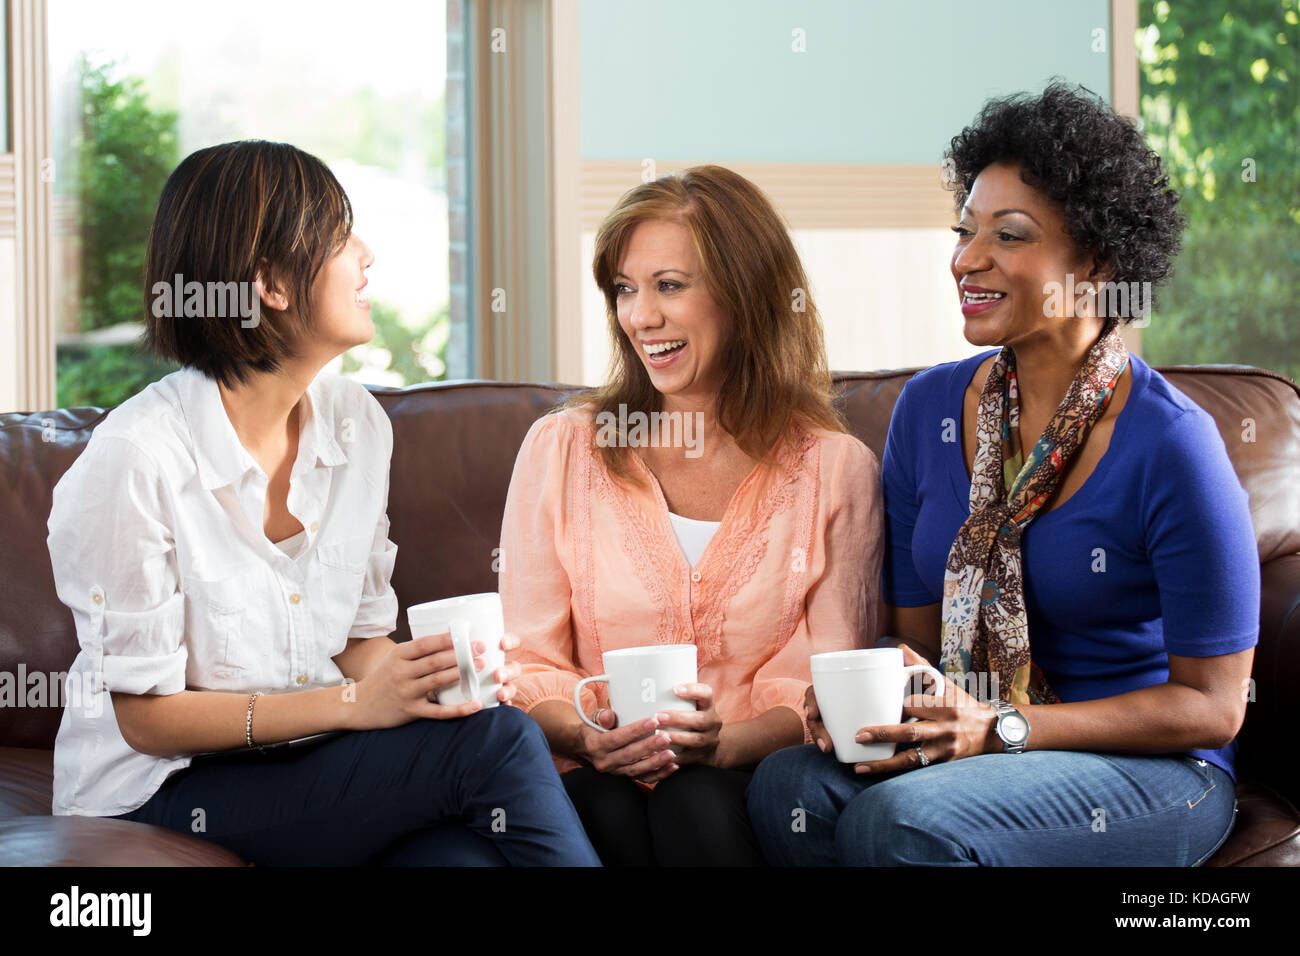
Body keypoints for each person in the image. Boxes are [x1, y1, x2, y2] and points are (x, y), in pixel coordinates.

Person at [47, 140, 599, 867]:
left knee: (460, 856)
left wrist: (429, 683)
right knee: (499, 741)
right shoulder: (136, 458)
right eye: (341, 236)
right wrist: (353, 707)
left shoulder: (356, 423)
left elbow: (357, 642)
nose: (366, 254)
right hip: (164, 788)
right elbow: (146, 720)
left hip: (306, 761)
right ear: (271, 283)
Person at [747, 82, 1258, 866]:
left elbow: (1212, 708)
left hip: (1152, 769)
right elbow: (914, 644)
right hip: (984, 734)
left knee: (898, 824)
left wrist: (1002, 727)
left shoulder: (1172, 446)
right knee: (790, 787)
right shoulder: (929, 411)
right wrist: (867, 695)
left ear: (1097, 262)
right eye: (965, 230)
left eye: (1009, 236)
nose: (966, 259)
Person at [498, 165, 884, 866]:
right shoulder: (564, 448)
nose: (640, 316)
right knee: (601, 802)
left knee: (693, 797)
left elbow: (828, 683)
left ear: (745, 294)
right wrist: (584, 736)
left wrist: (724, 743)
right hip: (591, 772)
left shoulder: (834, 469)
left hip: (743, 779)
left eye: (670, 286)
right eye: (624, 289)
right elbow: (527, 656)